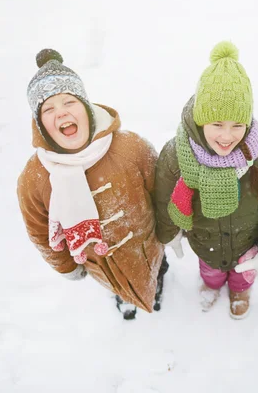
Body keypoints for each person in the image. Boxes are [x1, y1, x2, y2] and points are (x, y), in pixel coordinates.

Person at [18, 49, 167, 320]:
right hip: (102, 265)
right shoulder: (35, 179)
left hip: (147, 247)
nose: (61, 113)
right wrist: (68, 268)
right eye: (48, 109)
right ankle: (124, 296)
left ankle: (156, 287)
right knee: (117, 285)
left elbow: (162, 195)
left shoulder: (131, 148)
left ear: (86, 108)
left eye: (69, 102)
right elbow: (41, 234)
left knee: (158, 270)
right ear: (40, 125)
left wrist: (168, 232)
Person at [154, 41, 258, 319]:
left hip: (246, 241)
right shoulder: (177, 155)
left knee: (243, 273)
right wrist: (169, 233)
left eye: (237, 125)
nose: (227, 137)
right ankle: (211, 284)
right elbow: (164, 198)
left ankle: (239, 291)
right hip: (204, 240)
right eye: (217, 124)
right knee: (211, 268)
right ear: (201, 120)